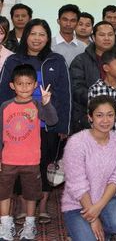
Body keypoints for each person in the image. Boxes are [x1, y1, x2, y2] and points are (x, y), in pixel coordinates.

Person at [0, 18, 71, 225]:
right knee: (19, 167)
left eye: (42, 34)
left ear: (48, 37)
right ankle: (23, 209)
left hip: (48, 123)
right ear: (26, 36)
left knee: (44, 167)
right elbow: (4, 91)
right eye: (33, 33)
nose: (37, 38)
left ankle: (42, 209)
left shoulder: (56, 60)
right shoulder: (13, 60)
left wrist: (63, 126)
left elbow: (65, 94)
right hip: (17, 125)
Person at [0, 64, 58, 240]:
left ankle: (30, 224)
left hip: (31, 160)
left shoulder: (38, 104)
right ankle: (5, 225)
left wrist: (47, 104)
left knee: (31, 193)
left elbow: (53, 120)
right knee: (3, 192)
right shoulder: (5, 106)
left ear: (35, 85)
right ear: (12, 85)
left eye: (28, 83)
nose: (24, 87)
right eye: (20, 83)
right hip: (8, 159)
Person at [62, 95, 116, 241]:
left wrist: (98, 207)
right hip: (77, 203)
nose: (105, 120)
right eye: (99, 115)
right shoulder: (77, 142)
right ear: (90, 117)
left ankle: (97, 231)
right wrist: (93, 219)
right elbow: (77, 184)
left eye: (110, 115)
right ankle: (83, 230)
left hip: (105, 200)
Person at [70, 21, 115, 134]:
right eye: (102, 35)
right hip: (86, 119)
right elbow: (76, 88)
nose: (106, 38)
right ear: (93, 38)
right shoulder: (80, 60)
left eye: (110, 34)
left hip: (115, 120)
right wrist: (100, 103)